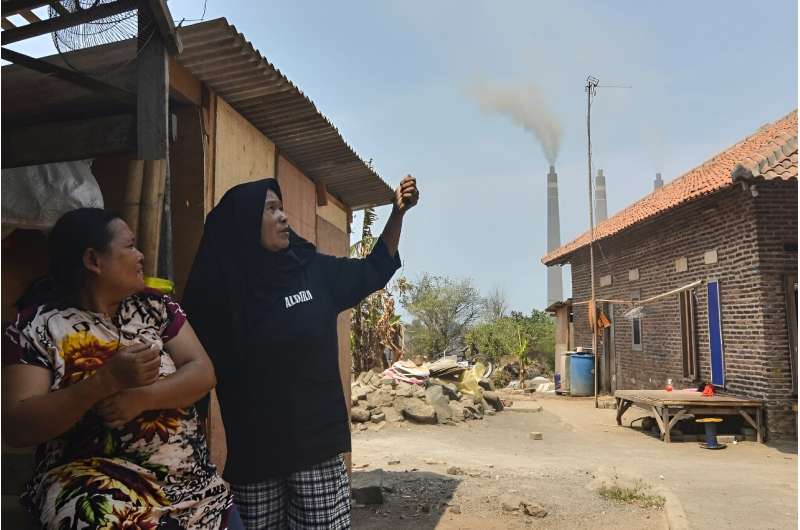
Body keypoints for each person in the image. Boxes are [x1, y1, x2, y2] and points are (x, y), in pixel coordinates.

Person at [182, 175, 418, 529]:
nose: (283, 217)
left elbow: (374, 269)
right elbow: (195, 374)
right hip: (253, 458)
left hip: (314, 451)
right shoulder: (218, 294)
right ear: (244, 222)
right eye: (270, 209)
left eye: (282, 208)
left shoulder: (312, 271)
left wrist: (398, 214)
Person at [2, 208, 241, 529]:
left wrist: (142, 398)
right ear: (93, 260)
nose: (140, 256)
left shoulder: (156, 307)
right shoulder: (37, 325)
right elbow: (18, 424)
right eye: (129, 246)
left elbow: (202, 372)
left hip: (191, 485)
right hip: (95, 489)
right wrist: (104, 381)